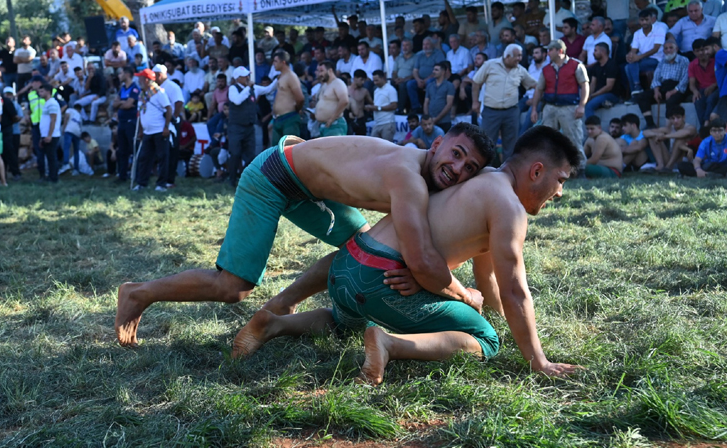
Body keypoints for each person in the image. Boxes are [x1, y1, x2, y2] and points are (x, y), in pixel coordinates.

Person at [233, 126, 584, 384]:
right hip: (382, 278)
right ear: (537, 171)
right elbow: (514, 290)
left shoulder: (479, 180)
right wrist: (537, 360)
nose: (560, 193)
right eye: (561, 180)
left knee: (345, 323)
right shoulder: (509, 208)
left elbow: (488, 276)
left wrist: (480, 304)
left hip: (345, 265)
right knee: (486, 339)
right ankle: (389, 343)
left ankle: (274, 323)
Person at [115, 123, 497, 347]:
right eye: (457, 153)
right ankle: (138, 292)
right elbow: (420, 257)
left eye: (470, 167)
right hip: (273, 176)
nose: (457, 168)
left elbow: (435, 248)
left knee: (359, 250)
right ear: (436, 144)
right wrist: (465, 295)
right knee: (232, 288)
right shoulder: (408, 178)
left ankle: (281, 306)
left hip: (306, 183)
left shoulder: (425, 177)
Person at [531, 40, 589, 171]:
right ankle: (550, 169)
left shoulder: (576, 65)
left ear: (560, 51)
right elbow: (539, 89)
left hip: (569, 107)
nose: (547, 53)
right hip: (550, 106)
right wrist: (534, 109)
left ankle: (580, 170)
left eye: (550, 50)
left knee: (573, 139)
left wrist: (582, 105)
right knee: (547, 140)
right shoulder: (546, 69)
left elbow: (585, 85)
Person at [473, 44, 537, 161]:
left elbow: (535, 85)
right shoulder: (490, 65)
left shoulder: (520, 70)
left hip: (511, 112)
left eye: (520, 56)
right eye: (517, 56)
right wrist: (475, 102)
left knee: (511, 144)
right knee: (487, 142)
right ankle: (486, 171)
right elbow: (476, 82)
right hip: (491, 111)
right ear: (507, 56)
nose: (519, 59)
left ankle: (507, 173)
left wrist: (536, 100)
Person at [225, 66, 277, 187]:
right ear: (238, 78)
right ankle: (232, 179)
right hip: (236, 127)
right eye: (244, 76)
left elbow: (268, 89)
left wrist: (277, 79)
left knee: (250, 154)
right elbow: (237, 101)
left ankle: (247, 181)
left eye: (248, 75)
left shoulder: (254, 88)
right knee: (235, 153)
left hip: (249, 126)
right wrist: (248, 88)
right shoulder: (233, 88)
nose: (247, 78)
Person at [634, 41, 689, 129]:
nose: (668, 50)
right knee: (642, 96)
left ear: (676, 49)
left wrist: (673, 91)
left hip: (677, 88)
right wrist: (656, 91)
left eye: (671, 48)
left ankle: (668, 127)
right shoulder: (662, 62)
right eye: (666, 48)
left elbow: (685, 79)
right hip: (664, 87)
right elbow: (656, 78)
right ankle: (650, 124)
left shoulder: (684, 60)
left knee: (671, 101)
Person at [133, 69, 172, 191]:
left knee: (162, 158)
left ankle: (161, 184)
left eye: (140, 78)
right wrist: (140, 130)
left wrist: (166, 127)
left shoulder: (159, 93)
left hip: (159, 130)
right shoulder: (142, 94)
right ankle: (142, 183)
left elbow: (169, 109)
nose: (139, 81)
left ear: (146, 79)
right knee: (144, 158)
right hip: (147, 132)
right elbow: (140, 113)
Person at [152, 64, 184, 189]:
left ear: (160, 75)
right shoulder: (156, 87)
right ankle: (162, 176)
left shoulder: (172, 86)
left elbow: (179, 102)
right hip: (160, 123)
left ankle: (170, 179)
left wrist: (173, 118)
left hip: (171, 122)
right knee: (162, 152)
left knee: (172, 151)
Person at [643, 105, 698, 170]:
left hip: (684, 160)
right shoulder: (669, 129)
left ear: (683, 117)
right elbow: (645, 132)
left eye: (678, 118)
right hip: (670, 158)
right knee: (652, 136)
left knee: (679, 139)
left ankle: (668, 167)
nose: (675, 121)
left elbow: (685, 133)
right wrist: (657, 134)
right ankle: (660, 165)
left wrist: (665, 136)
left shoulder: (690, 127)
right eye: (673, 118)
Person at [626, 9, 666, 95]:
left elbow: (656, 49)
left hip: (657, 59)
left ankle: (636, 90)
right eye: (642, 20)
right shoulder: (637, 33)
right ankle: (636, 90)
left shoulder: (659, 30)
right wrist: (630, 55)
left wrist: (639, 57)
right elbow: (634, 49)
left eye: (646, 20)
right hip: (642, 59)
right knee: (628, 66)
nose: (644, 22)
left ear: (651, 19)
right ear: (639, 21)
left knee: (630, 67)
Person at [113, 67, 140, 183]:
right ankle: (122, 175)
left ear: (127, 74)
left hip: (131, 122)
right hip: (122, 122)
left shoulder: (135, 88)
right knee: (122, 151)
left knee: (133, 149)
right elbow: (114, 104)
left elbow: (128, 105)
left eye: (121, 73)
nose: (119, 76)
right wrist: (122, 103)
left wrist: (122, 103)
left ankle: (137, 176)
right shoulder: (122, 88)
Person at [271, 51, 305, 142]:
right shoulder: (281, 76)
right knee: (275, 152)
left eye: (275, 61)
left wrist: (297, 109)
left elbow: (300, 98)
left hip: (289, 118)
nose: (273, 64)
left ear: (283, 62)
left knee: (288, 150)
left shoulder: (291, 76)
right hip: (278, 119)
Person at [407, 38, 446, 114]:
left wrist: (425, 80)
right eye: (424, 44)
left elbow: (439, 70)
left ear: (433, 45)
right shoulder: (419, 55)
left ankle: (429, 107)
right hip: (420, 79)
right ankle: (416, 107)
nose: (425, 46)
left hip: (434, 78)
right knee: (410, 84)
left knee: (429, 83)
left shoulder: (438, 54)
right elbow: (415, 70)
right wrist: (418, 80)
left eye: (427, 44)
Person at [585, 43, 622, 118]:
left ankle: (593, 126)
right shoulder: (596, 66)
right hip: (599, 94)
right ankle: (604, 103)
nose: (593, 53)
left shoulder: (612, 64)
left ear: (603, 52)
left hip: (611, 94)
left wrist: (593, 95)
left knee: (589, 106)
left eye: (595, 50)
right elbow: (593, 84)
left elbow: (609, 87)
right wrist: (588, 96)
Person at [314, 61, 349, 137]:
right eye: (318, 71)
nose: (319, 74)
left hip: (335, 125)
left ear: (330, 71)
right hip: (324, 126)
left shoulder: (338, 83)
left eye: (322, 71)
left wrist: (332, 119)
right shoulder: (324, 85)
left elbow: (344, 101)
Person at [688, 39, 718, 127]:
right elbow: (692, 84)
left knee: (710, 99)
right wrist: (695, 91)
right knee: (698, 101)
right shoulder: (692, 65)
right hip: (703, 90)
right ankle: (704, 128)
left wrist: (713, 86)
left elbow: (722, 78)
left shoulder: (715, 61)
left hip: (717, 88)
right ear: (694, 52)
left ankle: (706, 124)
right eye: (698, 51)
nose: (701, 53)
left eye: (703, 49)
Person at [37, 82, 61, 183]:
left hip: (51, 135)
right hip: (47, 135)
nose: (40, 93)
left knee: (51, 158)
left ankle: (53, 178)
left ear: (48, 92)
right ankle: (51, 176)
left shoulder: (52, 103)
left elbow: (53, 120)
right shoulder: (47, 103)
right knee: (49, 157)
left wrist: (49, 135)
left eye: (42, 91)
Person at [424, 61, 456, 133]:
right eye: (433, 70)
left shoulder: (449, 86)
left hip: (444, 121)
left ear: (443, 72)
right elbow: (426, 102)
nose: (433, 72)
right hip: (430, 122)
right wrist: (427, 118)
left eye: (436, 70)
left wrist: (436, 119)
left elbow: (449, 104)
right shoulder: (430, 85)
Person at [368, 70, 398, 142]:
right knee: (373, 145)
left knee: (387, 148)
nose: (375, 83)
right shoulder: (376, 90)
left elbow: (394, 106)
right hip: (377, 123)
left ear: (382, 78)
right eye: (374, 81)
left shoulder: (390, 89)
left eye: (377, 80)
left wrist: (378, 108)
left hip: (387, 123)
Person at [346, 70, 372, 136]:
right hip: (349, 120)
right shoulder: (346, 90)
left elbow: (372, 103)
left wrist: (366, 107)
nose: (363, 82)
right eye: (361, 80)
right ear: (355, 78)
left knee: (362, 142)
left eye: (364, 80)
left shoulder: (365, 91)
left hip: (360, 119)